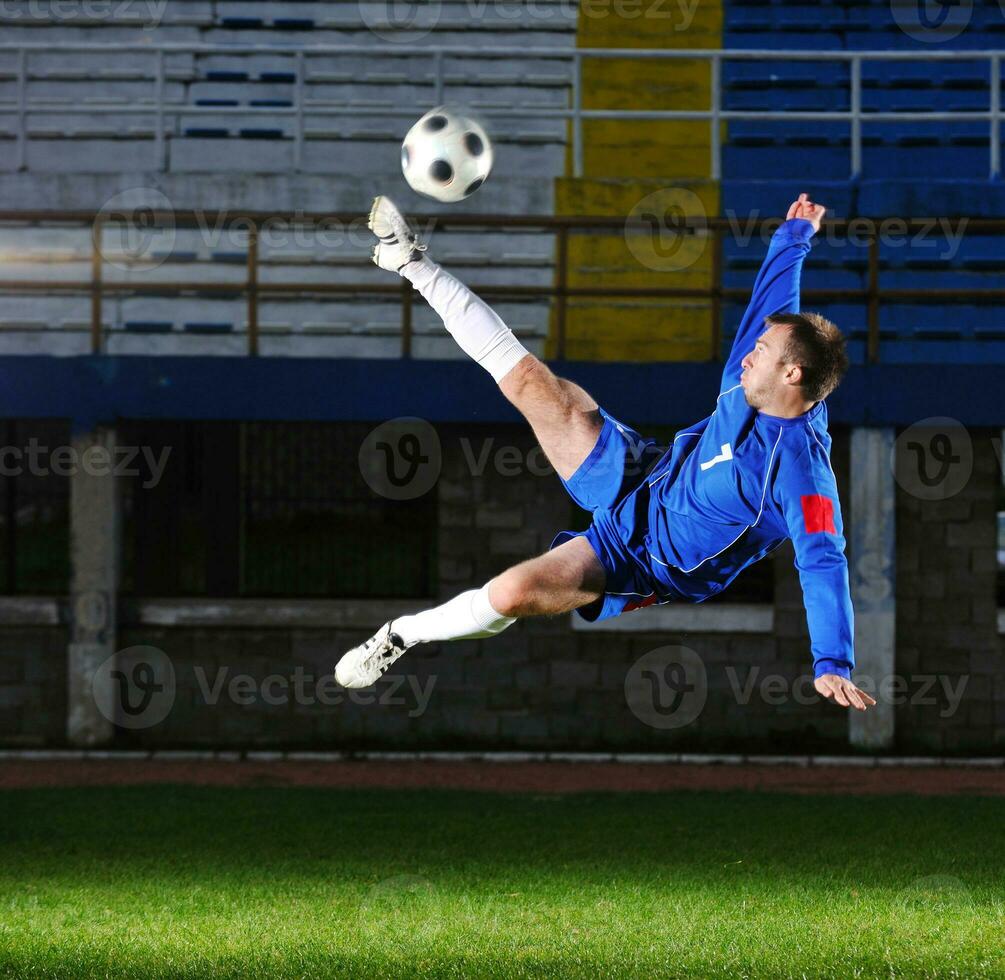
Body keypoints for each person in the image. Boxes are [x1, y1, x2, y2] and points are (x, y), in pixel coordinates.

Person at [335, 193, 876, 713]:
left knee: (512, 592)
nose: (746, 358)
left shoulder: (804, 475)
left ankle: (400, 634)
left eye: (761, 352)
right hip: (645, 474)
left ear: (792, 375)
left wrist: (833, 660)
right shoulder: (756, 376)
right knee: (532, 383)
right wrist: (794, 234)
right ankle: (406, 260)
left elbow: (823, 560)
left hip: (642, 561)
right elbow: (774, 303)